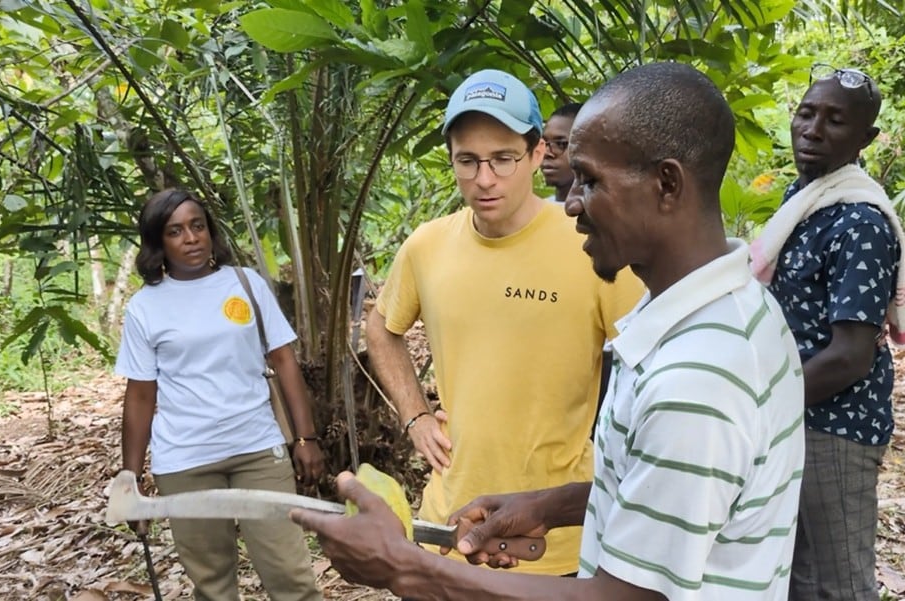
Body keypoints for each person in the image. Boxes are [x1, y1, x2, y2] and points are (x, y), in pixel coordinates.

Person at [294, 62, 806, 600]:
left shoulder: (697, 379)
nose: (574, 203)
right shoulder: (731, 311)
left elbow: (625, 598)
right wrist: (550, 505)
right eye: (468, 160)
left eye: (590, 180)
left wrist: (404, 569)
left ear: (667, 184)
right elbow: (672, 492)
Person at [363, 68, 642, 577]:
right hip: (449, 524)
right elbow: (381, 328)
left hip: (552, 535)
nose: (484, 178)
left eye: (503, 158)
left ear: (539, 155)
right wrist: (416, 416)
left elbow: (652, 360)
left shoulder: (591, 244)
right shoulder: (427, 246)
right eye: (467, 161)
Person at [748, 65, 905, 601]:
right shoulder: (804, 201)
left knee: (839, 584)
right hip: (791, 420)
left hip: (832, 429)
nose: (813, 129)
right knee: (796, 580)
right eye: (806, 112)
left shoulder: (859, 222)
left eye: (834, 120)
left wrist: (759, 404)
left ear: (865, 139)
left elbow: (849, 357)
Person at [116, 189, 324, 601]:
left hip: (258, 448)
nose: (191, 238)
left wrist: (306, 438)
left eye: (198, 226)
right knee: (213, 588)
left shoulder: (245, 284)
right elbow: (140, 396)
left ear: (211, 232)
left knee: (292, 579)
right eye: (175, 231)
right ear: (159, 242)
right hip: (186, 461)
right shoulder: (144, 308)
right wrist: (129, 477)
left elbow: (284, 362)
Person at [541, 102, 582, 203]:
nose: (546, 153)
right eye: (544, 143)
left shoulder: (610, 216)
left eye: (560, 144)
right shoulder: (533, 215)